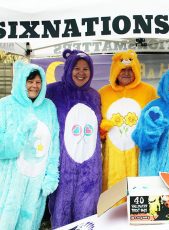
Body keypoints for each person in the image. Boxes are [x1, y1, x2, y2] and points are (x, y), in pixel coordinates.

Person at [45, 49, 102, 228]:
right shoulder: (53, 91)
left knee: (86, 214)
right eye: (76, 68)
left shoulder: (95, 95)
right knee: (61, 212)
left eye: (86, 69)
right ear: (68, 68)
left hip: (90, 169)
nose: (81, 73)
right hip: (63, 166)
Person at [0, 61, 60, 229]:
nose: (34, 86)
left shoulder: (48, 107)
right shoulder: (5, 105)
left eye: (38, 82)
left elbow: (53, 145)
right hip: (9, 184)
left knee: (30, 223)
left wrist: (51, 175)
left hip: (36, 183)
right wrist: (19, 134)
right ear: (21, 81)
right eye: (30, 81)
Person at [99, 50, 157, 191]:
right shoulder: (103, 93)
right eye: (122, 69)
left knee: (139, 192)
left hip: (138, 154)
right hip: (113, 156)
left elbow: (156, 120)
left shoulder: (148, 92)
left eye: (130, 69)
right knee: (113, 192)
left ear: (136, 70)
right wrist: (101, 130)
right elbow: (96, 123)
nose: (126, 73)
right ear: (115, 71)